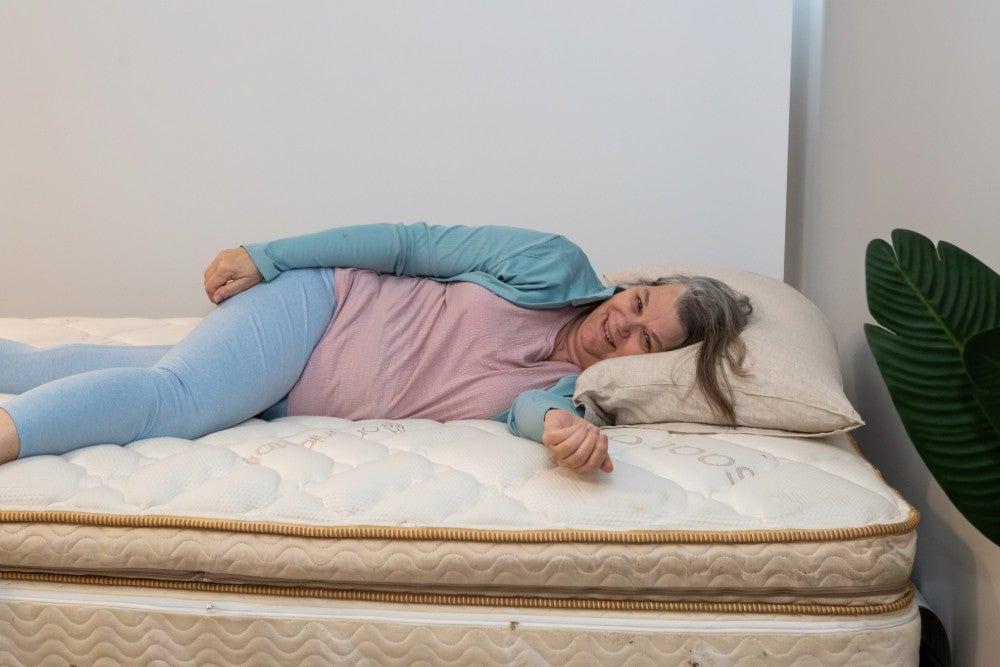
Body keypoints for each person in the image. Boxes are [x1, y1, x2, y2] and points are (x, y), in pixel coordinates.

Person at [0, 222, 752, 473]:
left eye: (644, 341)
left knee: (89, 370)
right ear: (635, 285)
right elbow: (406, 244)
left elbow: (533, 416)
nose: (624, 325)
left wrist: (567, 438)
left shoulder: (566, 390)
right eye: (639, 304)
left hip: (285, 388)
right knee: (175, 400)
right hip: (317, 307)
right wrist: (272, 254)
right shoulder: (552, 264)